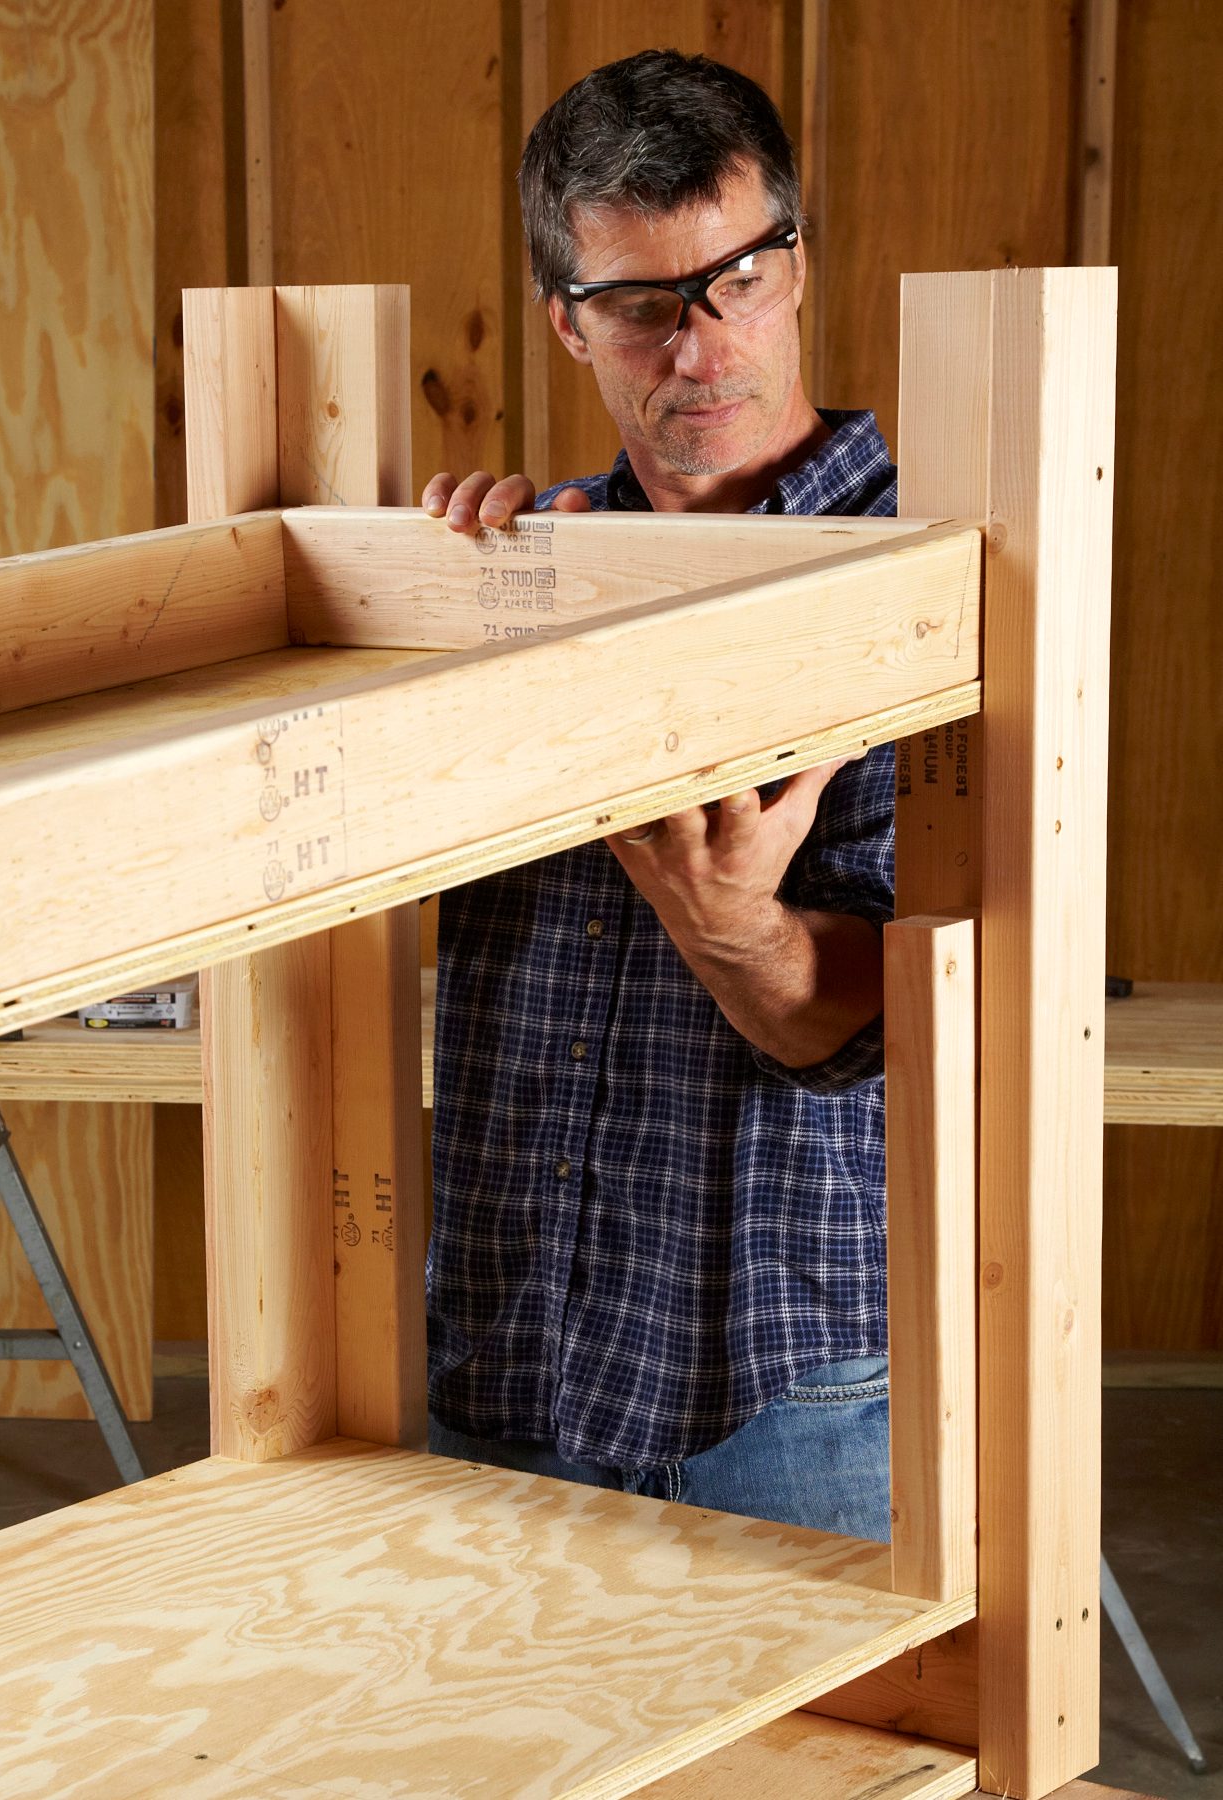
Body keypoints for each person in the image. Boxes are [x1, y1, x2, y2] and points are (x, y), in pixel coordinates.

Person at [419, 49, 896, 1540]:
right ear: (568, 320)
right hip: (502, 1368)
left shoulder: (933, 578)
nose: (698, 348)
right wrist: (422, 612)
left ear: (796, 267)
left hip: (780, 1402)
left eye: (736, 281)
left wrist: (727, 921)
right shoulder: (527, 569)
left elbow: (868, 1031)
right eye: (640, 306)